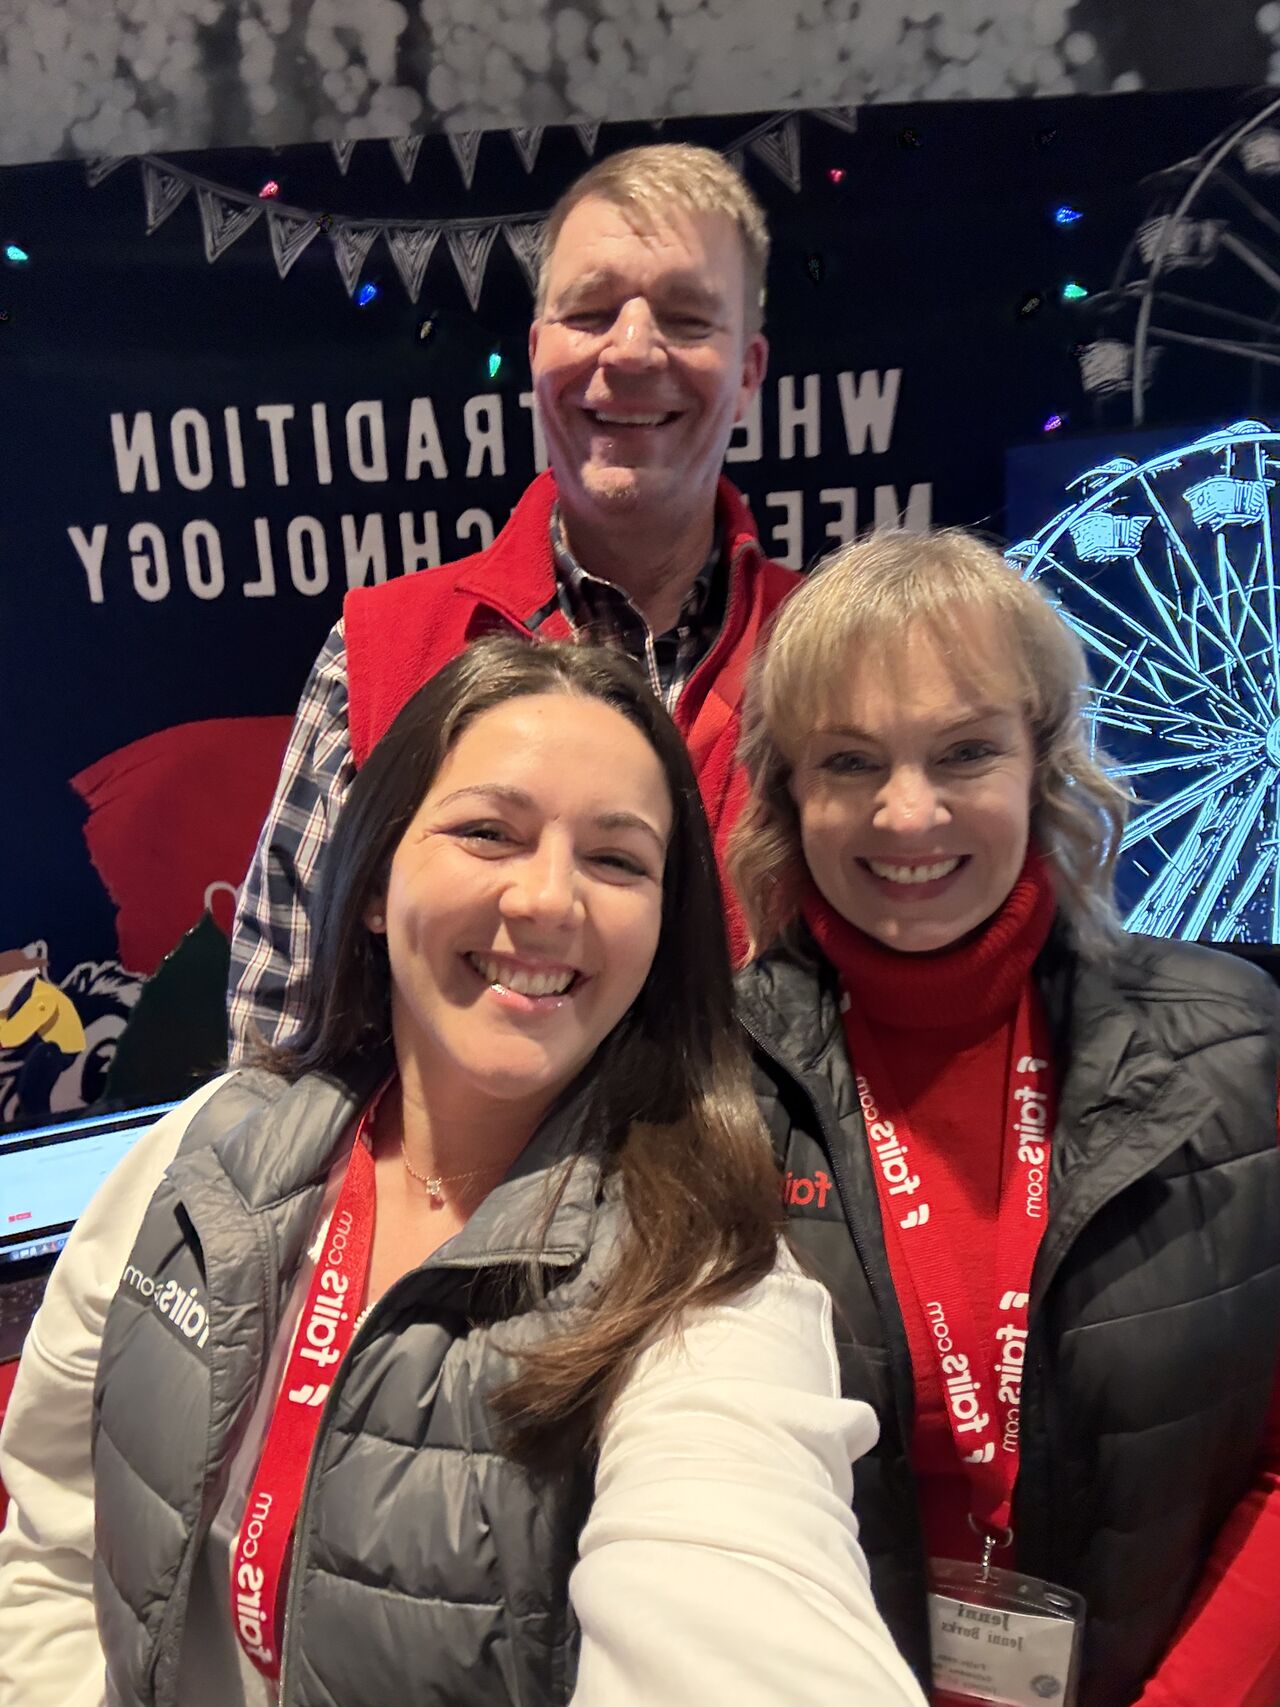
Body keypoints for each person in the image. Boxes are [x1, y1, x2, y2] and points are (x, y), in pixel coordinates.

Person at [0, 636, 927, 1707]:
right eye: (489, 832)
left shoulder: (705, 1292)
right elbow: (57, 1540)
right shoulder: (206, 1147)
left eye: (617, 860)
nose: (549, 900)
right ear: (374, 882)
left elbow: (742, 1592)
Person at [728, 530, 1280, 1707]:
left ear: (1042, 763)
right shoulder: (705, 1081)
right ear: (788, 793)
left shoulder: (1237, 1048)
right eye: (848, 761)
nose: (907, 814)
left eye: (964, 751)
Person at [228, 142, 795, 1061]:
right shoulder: (375, 653)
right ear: (537, 354)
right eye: (590, 311)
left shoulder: (832, 665)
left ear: (748, 374)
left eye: (687, 317)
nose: (631, 349)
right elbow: (277, 1046)